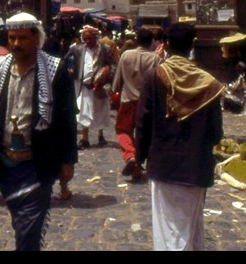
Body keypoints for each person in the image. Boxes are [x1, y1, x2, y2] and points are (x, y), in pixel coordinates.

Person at [0, 12, 78, 251]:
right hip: (4, 163)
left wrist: (68, 160)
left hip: (38, 163)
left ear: (36, 39)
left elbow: (67, 120)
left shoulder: (55, 70)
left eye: (22, 38)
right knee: (19, 221)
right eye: (12, 38)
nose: (16, 44)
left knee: (28, 231)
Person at [135, 23, 224, 251]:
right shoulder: (209, 83)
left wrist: (140, 158)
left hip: (163, 165)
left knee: (169, 234)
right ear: (192, 46)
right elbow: (216, 133)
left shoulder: (154, 77)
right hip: (196, 167)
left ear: (165, 45)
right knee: (191, 230)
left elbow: (143, 124)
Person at [112, 27, 160, 181]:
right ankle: (137, 166)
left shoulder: (126, 55)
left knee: (123, 131)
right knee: (144, 134)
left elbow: (117, 81)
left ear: (136, 40)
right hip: (147, 103)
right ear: (151, 41)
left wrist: (114, 92)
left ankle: (131, 156)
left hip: (128, 101)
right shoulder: (155, 59)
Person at [70, 25, 117, 149]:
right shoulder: (79, 49)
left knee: (100, 111)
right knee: (83, 112)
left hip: (100, 87)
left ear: (95, 37)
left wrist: (106, 77)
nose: (88, 41)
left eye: (90, 38)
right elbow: (69, 60)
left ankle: (100, 135)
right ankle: (84, 139)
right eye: (86, 39)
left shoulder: (105, 49)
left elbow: (113, 65)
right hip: (85, 87)